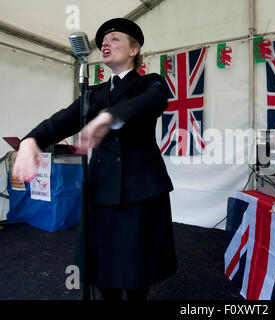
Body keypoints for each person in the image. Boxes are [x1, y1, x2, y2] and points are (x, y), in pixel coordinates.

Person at [12, 18, 177, 300]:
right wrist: (30, 142)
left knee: (137, 267)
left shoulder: (150, 83)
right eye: (103, 40)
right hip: (101, 189)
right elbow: (59, 122)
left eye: (114, 38)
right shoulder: (94, 93)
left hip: (140, 187)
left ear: (134, 49)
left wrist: (109, 117)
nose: (105, 43)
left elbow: (155, 100)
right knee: (103, 264)